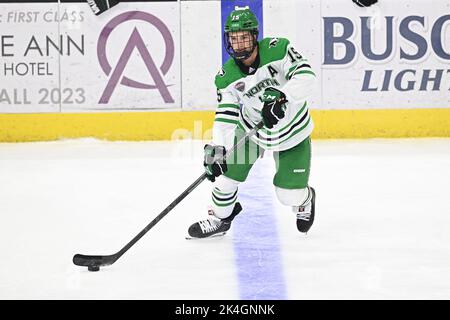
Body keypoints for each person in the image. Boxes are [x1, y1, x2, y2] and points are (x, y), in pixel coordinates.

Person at [187, 7, 316, 239]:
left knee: (288, 195)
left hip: (292, 132)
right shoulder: (226, 77)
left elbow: (306, 75)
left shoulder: (278, 49)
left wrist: (282, 95)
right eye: (233, 39)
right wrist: (219, 148)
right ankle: (220, 219)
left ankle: (306, 199)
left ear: (255, 36)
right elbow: (226, 115)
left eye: (244, 37)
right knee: (225, 179)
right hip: (252, 132)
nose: (239, 44)